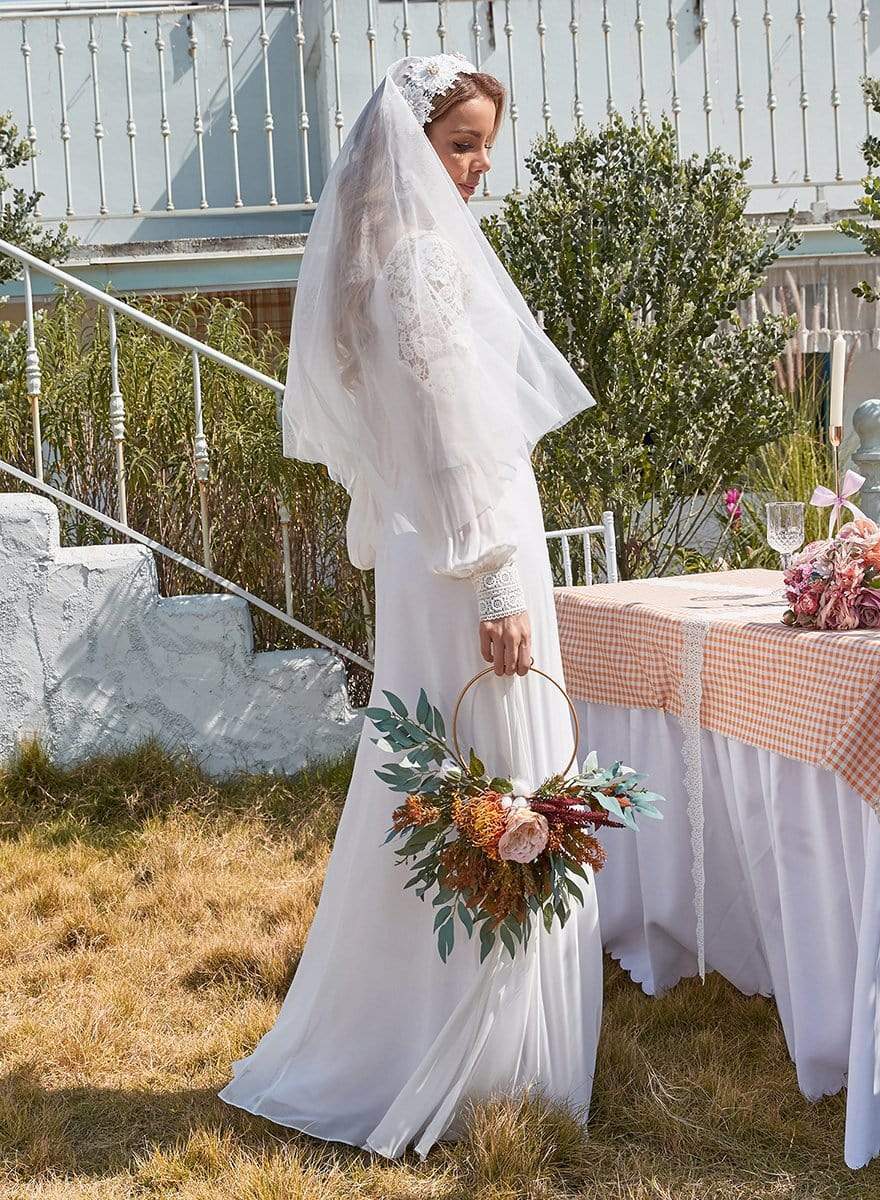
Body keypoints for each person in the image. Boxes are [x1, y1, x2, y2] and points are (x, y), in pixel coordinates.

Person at [217, 51, 603, 1159]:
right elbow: (447, 445)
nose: (480, 166)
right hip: (468, 566)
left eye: (487, 144)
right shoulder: (422, 268)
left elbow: (385, 448)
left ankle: (412, 1031)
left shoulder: (375, 266)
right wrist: (499, 585)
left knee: (436, 778)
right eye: (461, 143)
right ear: (409, 149)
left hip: (427, 560)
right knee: (492, 771)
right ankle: (488, 1060)